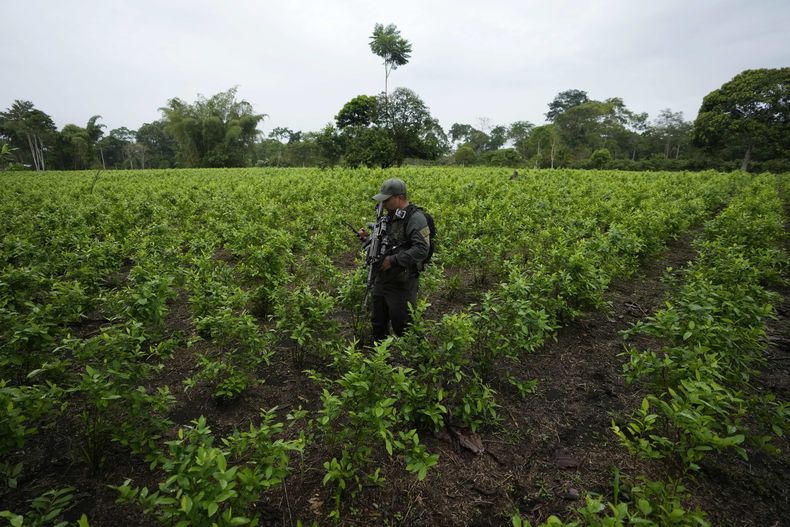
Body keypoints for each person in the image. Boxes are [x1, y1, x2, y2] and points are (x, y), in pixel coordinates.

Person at [358, 178, 430, 341]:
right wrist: (367, 239)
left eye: (387, 199)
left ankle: (421, 362)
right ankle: (381, 362)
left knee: (405, 327)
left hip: (401, 282)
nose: (383, 204)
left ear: (399, 197)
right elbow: (387, 241)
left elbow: (421, 250)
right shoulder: (390, 216)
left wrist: (392, 261)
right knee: (378, 323)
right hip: (382, 279)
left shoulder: (415, 218)